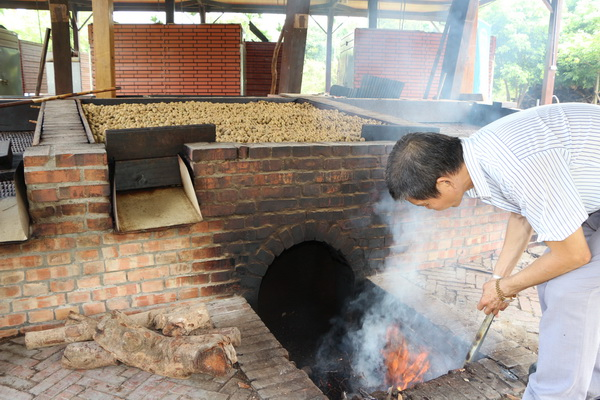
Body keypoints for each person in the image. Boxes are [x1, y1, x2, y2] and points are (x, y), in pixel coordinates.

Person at [385, 102, 600, 400]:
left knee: (570, 292)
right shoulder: (478, 157)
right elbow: (523, 213)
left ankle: (555, 394)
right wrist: (499, 279)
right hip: (593, 202)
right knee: (550, 284)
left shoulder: (517, 165)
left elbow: (575, 255)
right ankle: (589, 382)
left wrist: (506, 286)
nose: (429, 211)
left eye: (424, 204)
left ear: (445, 183)